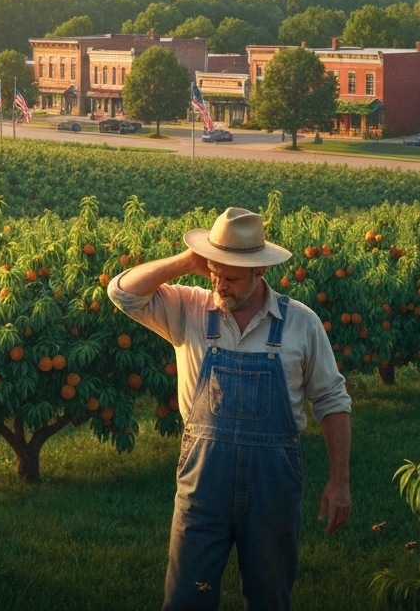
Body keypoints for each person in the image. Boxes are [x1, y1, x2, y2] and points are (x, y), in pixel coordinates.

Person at [107, 207, 352, 611]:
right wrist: (187, 261)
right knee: (187, 598)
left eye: (232, 276)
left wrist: (339, 481)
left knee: (269, 598)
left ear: (259, 272)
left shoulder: (300, 324)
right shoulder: (188, 309)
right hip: (203, 485)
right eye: (215, 272)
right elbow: (123, 292)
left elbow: (331, 400)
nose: (220, 284)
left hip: (272, 487)